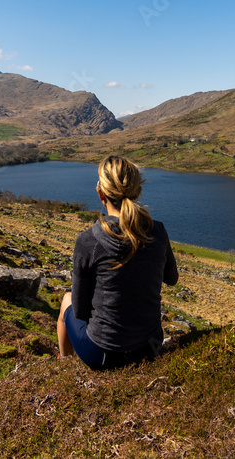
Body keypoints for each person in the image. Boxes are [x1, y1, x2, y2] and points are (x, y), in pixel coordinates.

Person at [57, 155, 178, 370]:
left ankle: (64, 363)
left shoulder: (88, 240)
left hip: (103, 355)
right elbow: (172, 279)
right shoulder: (157, 231)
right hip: (151, 348)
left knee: (66, 299)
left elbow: (80, 311)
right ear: (138, 192)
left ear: (100, 193)